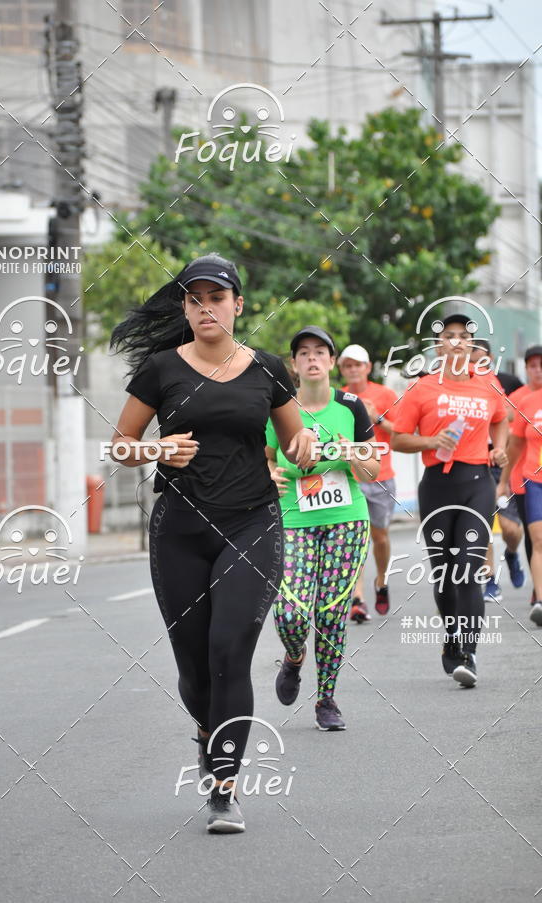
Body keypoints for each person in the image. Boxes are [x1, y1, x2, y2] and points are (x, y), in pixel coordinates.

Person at [111, 253, 316, 833]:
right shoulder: (160, 370)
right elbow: (121, 442)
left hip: (252, 523)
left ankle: (224, 788)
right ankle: (206, 729)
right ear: (185, 307)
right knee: (195, 670)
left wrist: (302, 450)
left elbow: (295, 437)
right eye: (196, 299)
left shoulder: (269, 369)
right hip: (179, 530)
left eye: (217, 297)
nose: (207, 307)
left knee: (230, 651)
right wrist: (157, 450)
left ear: (238, 306)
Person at [265, 326, 380, 729]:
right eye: (303, 353)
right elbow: (264, 457)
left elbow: (372, 471)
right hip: (293, 520)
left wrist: (353, 455)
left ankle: (326, 700)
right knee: (291, 613)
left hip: (346, 520)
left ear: (331, 362)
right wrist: (271, 472)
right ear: (294, 364)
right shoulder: (279, 407)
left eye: (320, 352)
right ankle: (294, 657)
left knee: (331, 612)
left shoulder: (351, 407)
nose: (312, 358)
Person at [391, 314, 508, 687]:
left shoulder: (488, 385)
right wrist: (431, 442)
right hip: (437, 486)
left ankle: (470, 653)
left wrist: (499, 448)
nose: (457, 342)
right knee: (445, 574)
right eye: (449, 336)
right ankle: (452, 639)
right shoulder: (422, 388)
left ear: (472, 347)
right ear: (439, 346)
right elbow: (398, 439)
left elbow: (501, 419)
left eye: (464, 337)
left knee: (470, 569)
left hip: (478, 483)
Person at [338, 343, 398, 621]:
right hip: (352, 476)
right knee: (356, 538)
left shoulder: (384, 394)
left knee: (380, 537)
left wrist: (379, 418)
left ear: (368, 367)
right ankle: (358, 599)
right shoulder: (339, 399)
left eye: (357, 365)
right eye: (347, 365)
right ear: (341, 369)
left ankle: (382, 582)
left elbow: (402, 432)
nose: (352, 370)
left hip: (382, 476)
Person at [468, 338, 524, 601]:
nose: (474, 364)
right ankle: (490, 580)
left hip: (504, 461)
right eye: (469, 359)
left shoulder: (506, 382)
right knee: (483, 524)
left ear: (489, 358)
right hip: (476, 460)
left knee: (512, 529)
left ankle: (512, 554)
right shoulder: (461, 385)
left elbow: (518, 412)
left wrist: (497, 407)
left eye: (479, 359)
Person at [499, 381, 542, 627]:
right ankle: (540, 600)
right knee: (537, 538)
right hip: (534, 479)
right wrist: (503, 480)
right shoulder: (527, 401)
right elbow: (514, 446)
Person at [504, 346, 542, 602]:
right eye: (532, 366)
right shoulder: (519, 399)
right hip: (524, 475)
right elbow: (511, 437)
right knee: (534, 535)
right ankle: (537, 591)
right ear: (526, 369)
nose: (537, 370)